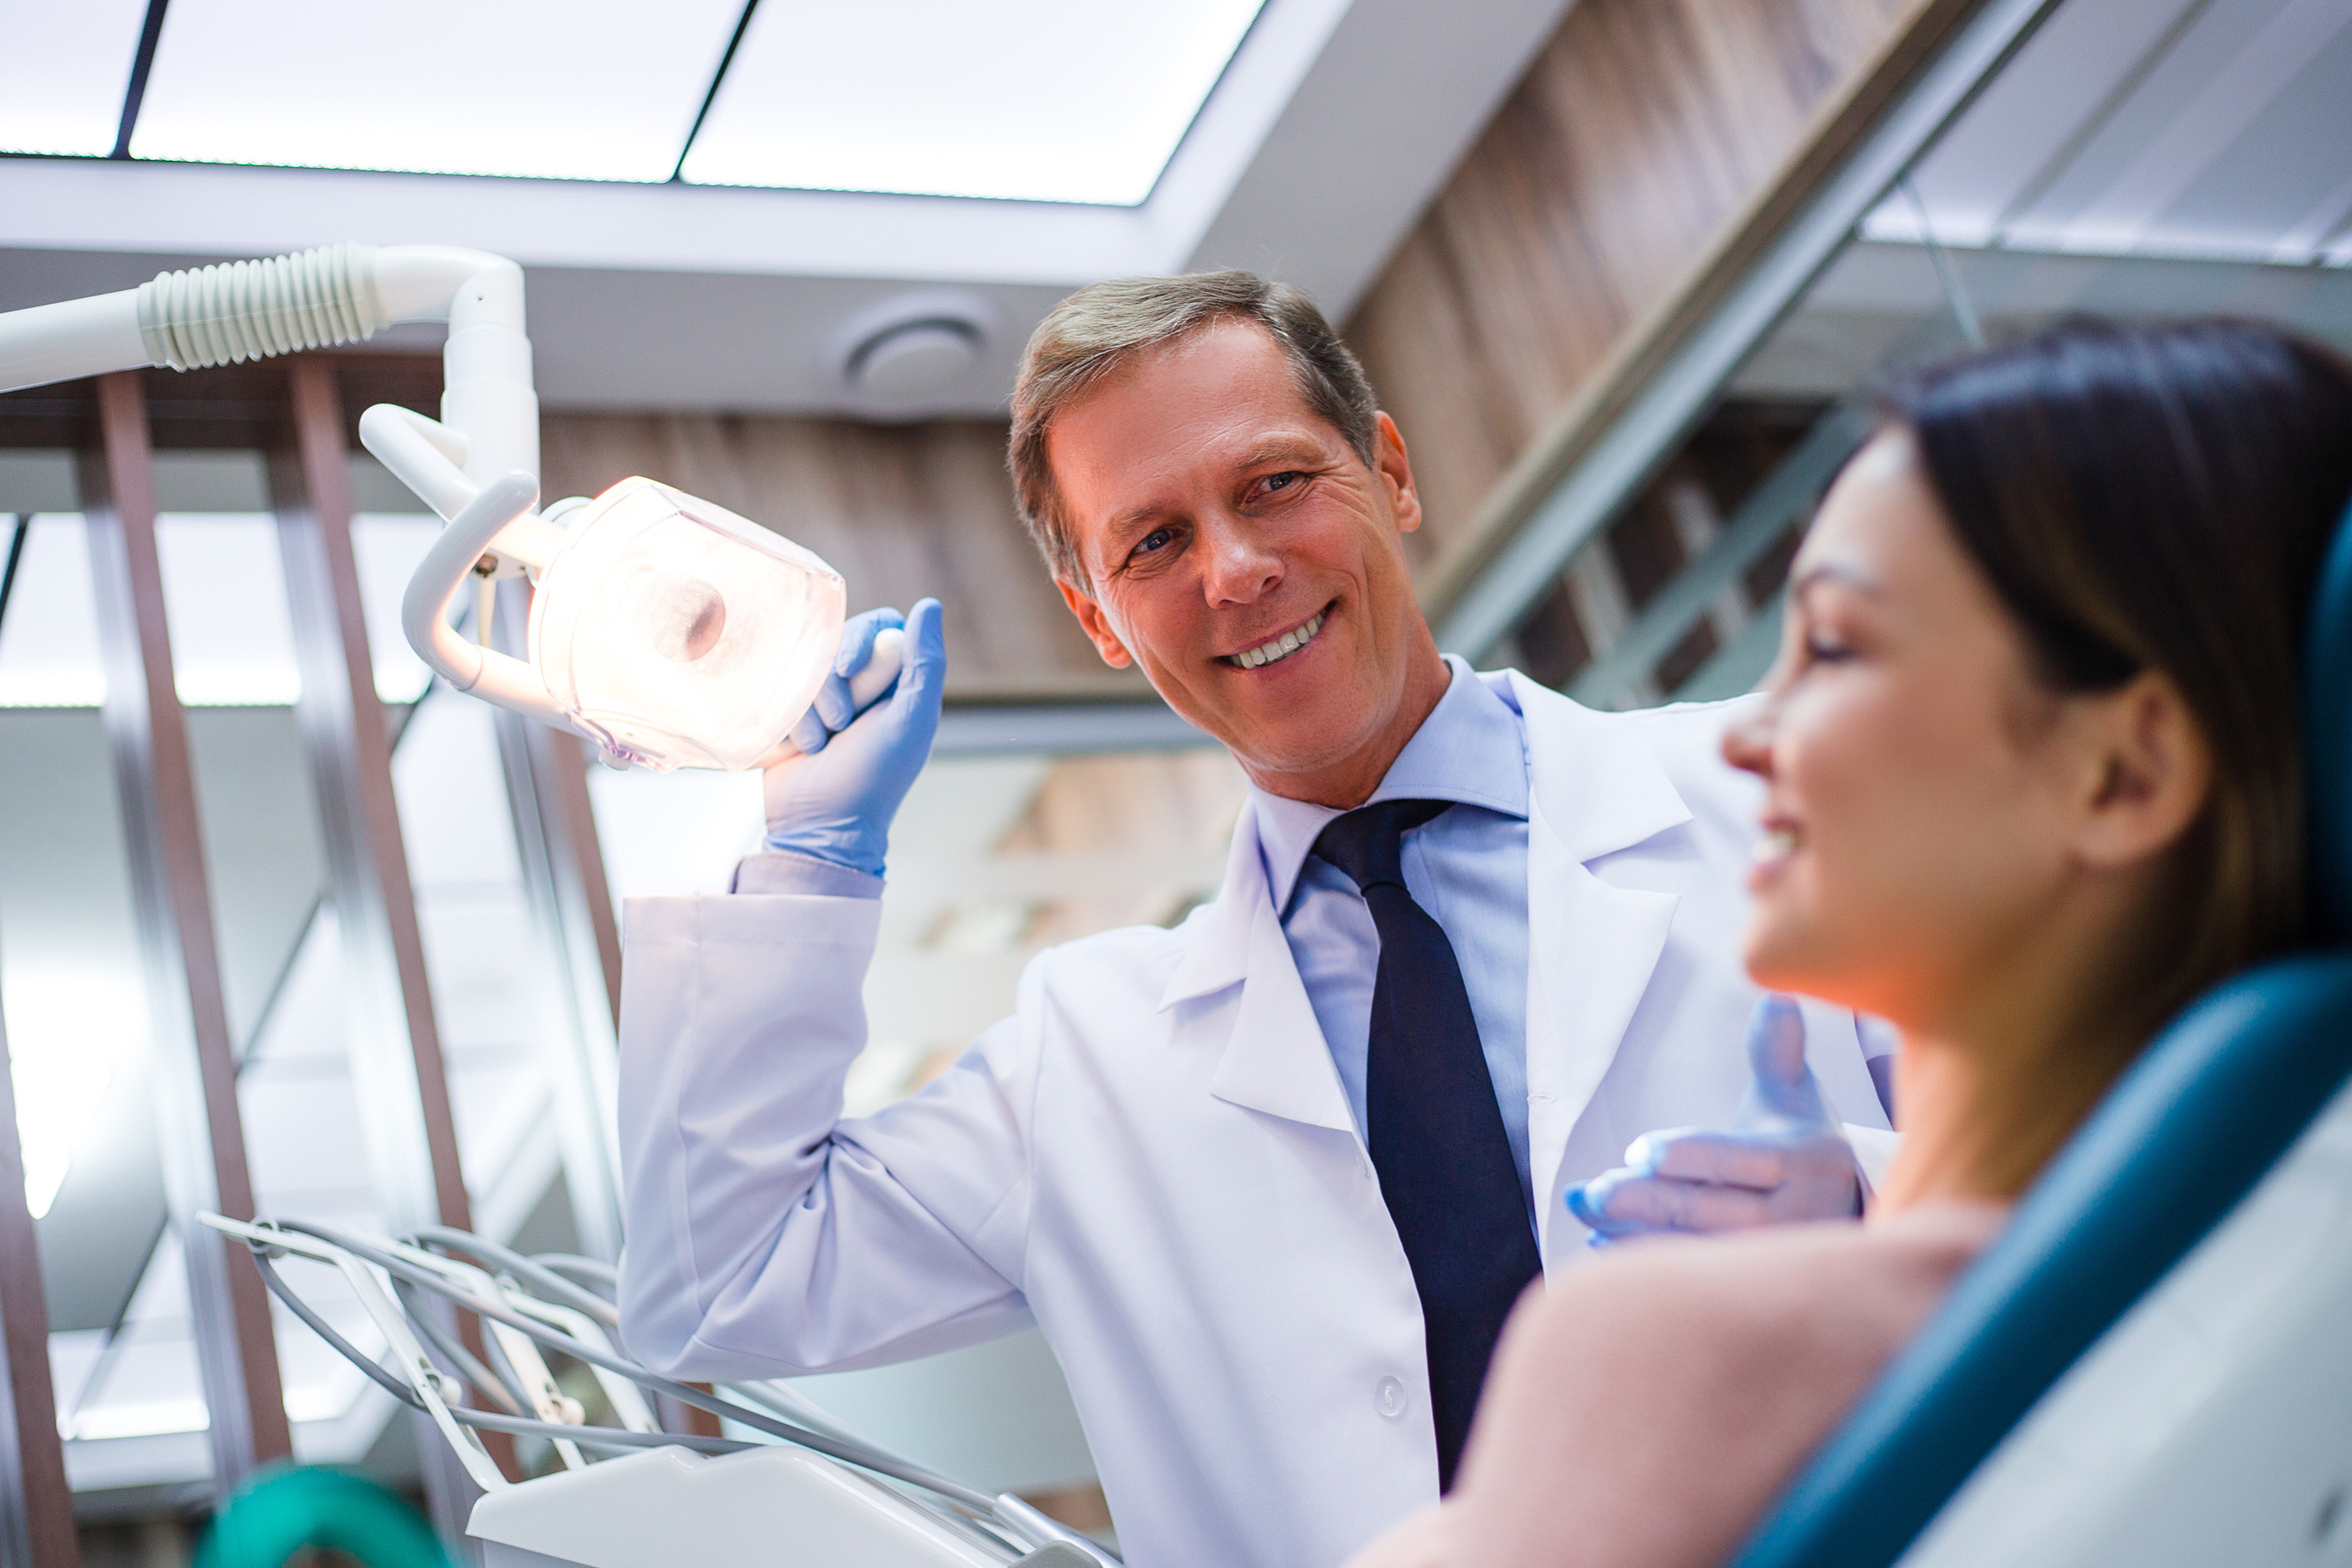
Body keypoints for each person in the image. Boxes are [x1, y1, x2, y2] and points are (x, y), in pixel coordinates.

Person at [613, 272, 1890, 1568]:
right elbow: (713, 1283)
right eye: (1151, 543)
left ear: (1388, 471)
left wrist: (1882, 1209)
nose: (1234, 571)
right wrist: (811, 859)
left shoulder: (1779, 792)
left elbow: (2088, 1120)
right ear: (1095, 617)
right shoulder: (1088, 1054)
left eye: (1273, 483)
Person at [1347, 317, 2352, 1568]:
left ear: (2121, 771)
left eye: (1832, 645)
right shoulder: (2287, 1246)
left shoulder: (1660, 1353)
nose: (1745, 739)